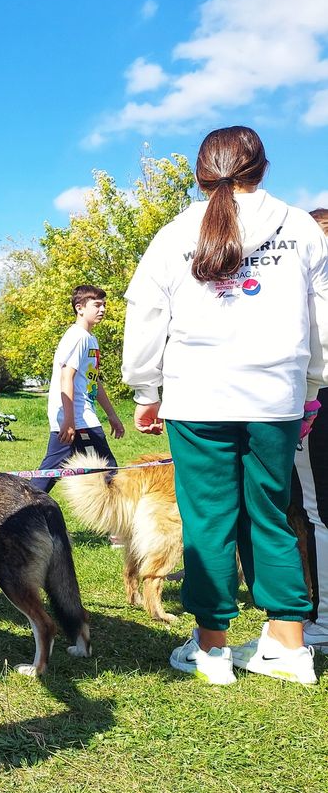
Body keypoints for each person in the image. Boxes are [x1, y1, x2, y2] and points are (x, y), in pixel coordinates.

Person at [122, 125, 328, 686]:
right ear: (262, 167)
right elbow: (322, 320)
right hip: (275, 396)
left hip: (197, 395)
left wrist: (146, 389)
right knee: (273, 515)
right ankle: (289, 646)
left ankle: (212, 652)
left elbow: (145, 312)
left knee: (207, 518)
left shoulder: (174, 233)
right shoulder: (303, 229)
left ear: (200, 172)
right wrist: (312, 387)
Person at [30, 285, 125, 491]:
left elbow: (94, 382)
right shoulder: (77, 337)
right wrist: (70, 420)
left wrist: (112, 415)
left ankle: (22, 511)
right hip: (78, 420)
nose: (103, 310)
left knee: (48, 474)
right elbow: (67, 377)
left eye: (104, 305)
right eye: (97, 305)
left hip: (80, 417)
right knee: (110, 473)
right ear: (79, 308)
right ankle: (21, 512)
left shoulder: (91, 339)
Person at [294, 207, 328, 654]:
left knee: (317, 512)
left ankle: (320, 622)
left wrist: (307, 401)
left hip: (319, 397)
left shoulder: (312, 284)